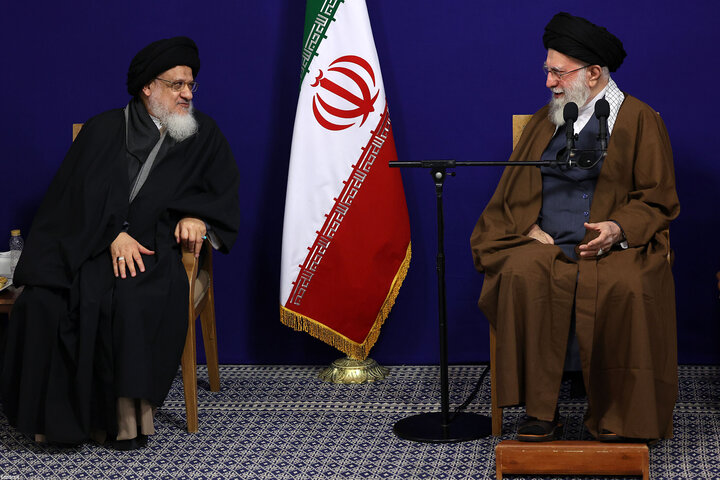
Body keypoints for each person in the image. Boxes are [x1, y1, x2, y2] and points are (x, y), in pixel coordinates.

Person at [0, 36, 241, 449]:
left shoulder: (204, 135)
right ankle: (53, 421)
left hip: (153, 248)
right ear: (148, 86)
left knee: (128, 297)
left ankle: (119, 424)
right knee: (44, 300)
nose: (187, 93)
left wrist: (198, 218)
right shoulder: (103, 129)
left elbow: (222, 192)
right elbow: (69, 200)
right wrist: (110, 234)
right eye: (177, 84)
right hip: (88, 242)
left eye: (190, 85)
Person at [470, 13, 679, 442]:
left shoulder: (640, 119)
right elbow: (512, 192)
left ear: (594, 73)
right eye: (547, 70)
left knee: (628, 284)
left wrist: (619, 227)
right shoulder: (544, 121)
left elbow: (658, 197)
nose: (549, 82)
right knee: (522, 271)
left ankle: (621, 413)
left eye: (558, 72)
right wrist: (525, 226)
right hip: (545, 243)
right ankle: (540, 411)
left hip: (612, 245)